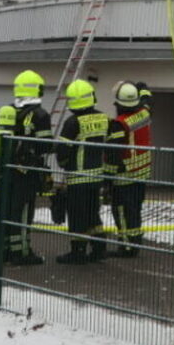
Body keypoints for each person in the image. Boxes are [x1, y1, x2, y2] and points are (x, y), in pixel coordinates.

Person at [0, 70, 53, 266]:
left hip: (5, 170)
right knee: (23, 212)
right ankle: (23, 253)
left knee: (7, 210)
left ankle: (5, 251)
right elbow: (44, 146)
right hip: (27, 173)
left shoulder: (5, 112)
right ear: (37, 89)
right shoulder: (40, 115)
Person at [54, 79, 115, 264]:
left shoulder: (72, 123)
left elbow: (63, 151)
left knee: (77, 215)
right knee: (92, 214)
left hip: (78, 178)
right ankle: (99, 248)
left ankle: (78, 252)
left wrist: (64, 164)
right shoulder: (104, 118)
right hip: (97, 176)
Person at [108, 81, 153, 257]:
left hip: (124, 175)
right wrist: (142, 89)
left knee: (121, 210)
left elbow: (113, 154)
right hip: (142, 173)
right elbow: (147, 99)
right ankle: (134, 243)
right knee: (135, 209)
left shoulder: (119, 124)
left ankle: (126, 246)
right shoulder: (144, 113)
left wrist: (107, 177)